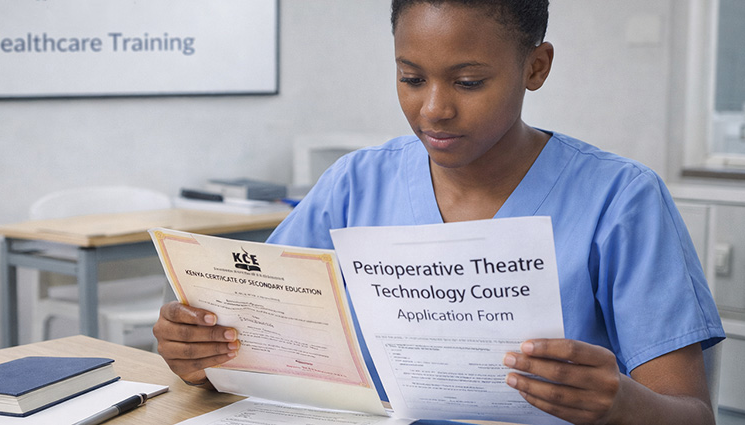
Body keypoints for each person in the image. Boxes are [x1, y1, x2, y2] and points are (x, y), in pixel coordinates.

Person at [153, 0, 726, 423]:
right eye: (410, 78)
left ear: (536, 67)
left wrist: (621, 405)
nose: (433, 109)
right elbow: (247, 352)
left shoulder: (621, 200)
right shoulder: (355, 184)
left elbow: (691, 415)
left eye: (469, 82)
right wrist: (200, 354)